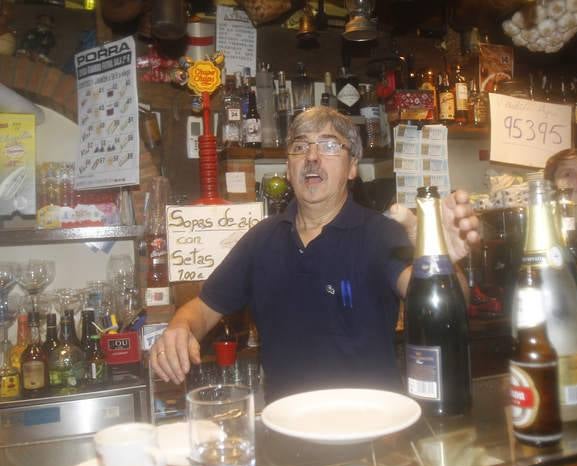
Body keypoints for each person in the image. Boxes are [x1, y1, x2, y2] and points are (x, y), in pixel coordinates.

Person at [150, 106, 480, 400]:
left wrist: (444, 262)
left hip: (372, 430)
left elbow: (449, 307)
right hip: (287, 429)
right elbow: (202, 309)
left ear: (352, 167)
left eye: (329, 145)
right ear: (288, 166)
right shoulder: (261, 239)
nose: (312, 156)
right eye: (300, 146)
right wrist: (179, 328)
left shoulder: (382, 233)